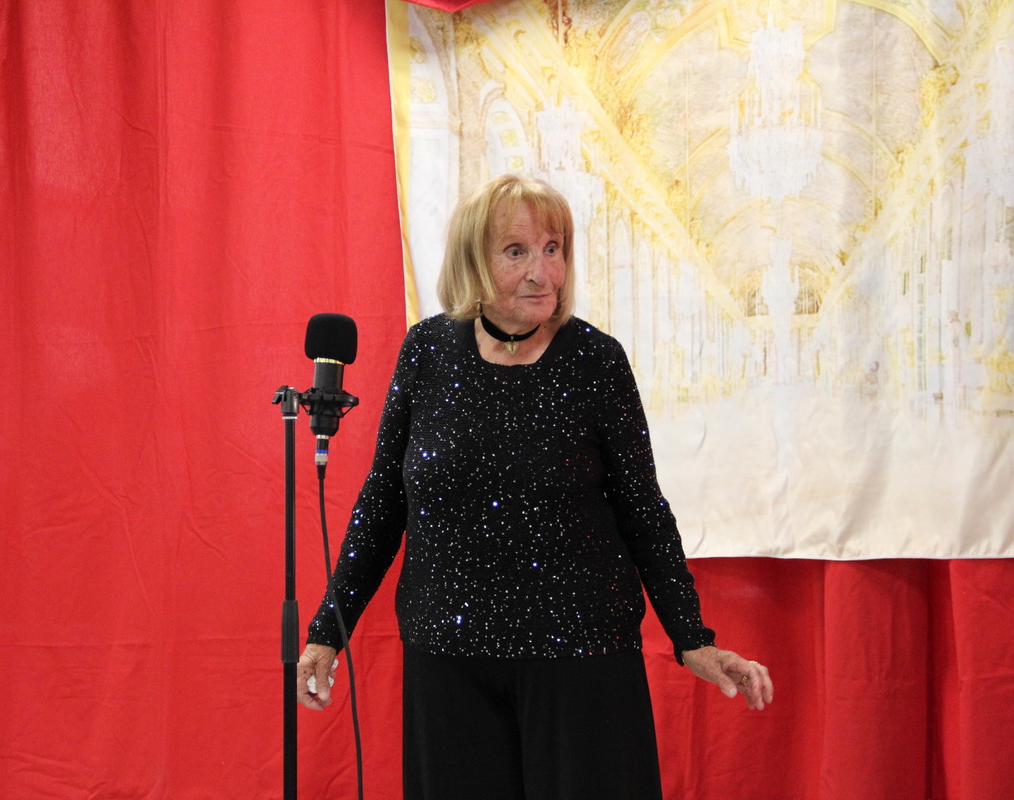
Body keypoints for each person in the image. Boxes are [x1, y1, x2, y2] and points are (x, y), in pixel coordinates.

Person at [297, 174, 773, 799]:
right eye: (516, 251)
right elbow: (385, 501)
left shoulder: (597, 362)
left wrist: (692, 639)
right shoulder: (426, 352)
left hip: (581, 661)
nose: (541, 272)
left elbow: (643, 512)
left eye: (553, 249)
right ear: (474, 261)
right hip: (449, 662)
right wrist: (327, 630)